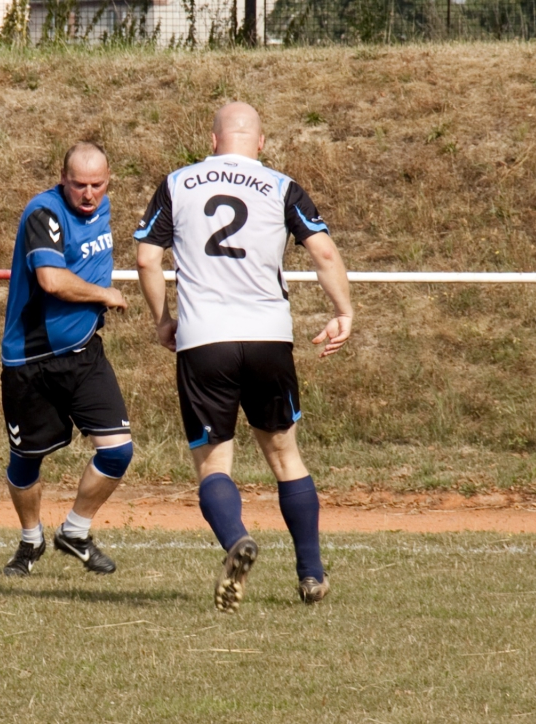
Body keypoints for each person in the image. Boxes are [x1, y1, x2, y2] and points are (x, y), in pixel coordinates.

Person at [134, 102, 353, 612]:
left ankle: (235, 539)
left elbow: (147, 256)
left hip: (204, 339)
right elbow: (322, 251)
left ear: (212, 141)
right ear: (260, 143)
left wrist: (162, 319)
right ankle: (311, 572)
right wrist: (344, 310)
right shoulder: (281, 186)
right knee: (284, 456)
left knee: (214, 465)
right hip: (268, 337)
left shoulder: (177, 183)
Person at [0, 141, 133, 577]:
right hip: (31, 359)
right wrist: (105, 294)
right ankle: (30, 540)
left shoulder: (104, 207)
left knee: (117, 451)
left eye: (97, 184)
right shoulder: (45, 214)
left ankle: (74, 531)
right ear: (63, 180)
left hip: (84, 355)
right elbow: (52, 280)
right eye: (79, 185)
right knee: (26, 460)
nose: (89, 193)